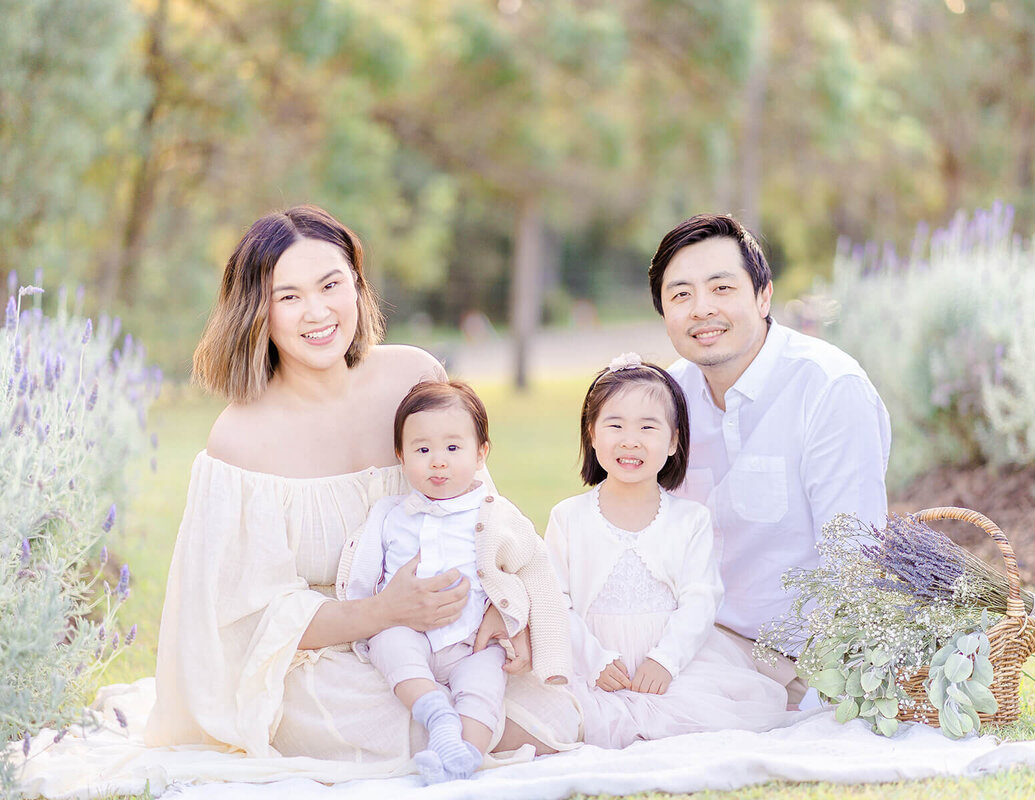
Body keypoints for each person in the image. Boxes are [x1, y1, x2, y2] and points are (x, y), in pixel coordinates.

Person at [145, 205, 581, 766]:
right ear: (258, 312)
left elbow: (484, 515)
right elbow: (249, 620)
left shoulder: (413, 378)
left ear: (357, 286)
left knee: (548, 709)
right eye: (289, 296)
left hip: (454, 626)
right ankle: (443, 736)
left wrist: (507, 610)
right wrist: (384, 612)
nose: (318, 311)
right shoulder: (240, 438)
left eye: (332, 285)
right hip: (326, 656)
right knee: (378, 715)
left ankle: (457, 727)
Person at [647, 214, 892, 703]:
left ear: (763, 296)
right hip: (686, 637)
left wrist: (839, 683)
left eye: (721, 288)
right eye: (680, 295)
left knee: (640, 714)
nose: (701, 309)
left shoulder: (827, 389)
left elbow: (855, 562)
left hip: (794, 658)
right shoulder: (666, 396)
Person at [544, 354, 795, 748]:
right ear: (592, 434)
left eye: (648, 426)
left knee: (701, 725)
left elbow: (701, 598)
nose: (631, 440)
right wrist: (593, 660)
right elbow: (554, 603)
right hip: (591, 665)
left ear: (674, 440)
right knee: (554, 719)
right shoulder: (568, 518)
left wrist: (666, 660)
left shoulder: (689, 520)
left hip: (675, 667)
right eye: (615, 425)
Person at [343, 380, 569, 782]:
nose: (438, 462)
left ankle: (463, 754)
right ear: (401, 455)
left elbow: (536, 570)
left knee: (485, 687)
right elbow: (362, 572)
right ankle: (436, 713)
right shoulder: (391, 514)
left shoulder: (496, 515)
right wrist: (360, 621)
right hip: (408, 630)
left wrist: (542, 646)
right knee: (391, 646)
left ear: (481, 453)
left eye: (453, 448)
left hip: (473, 641)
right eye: (422, 449)